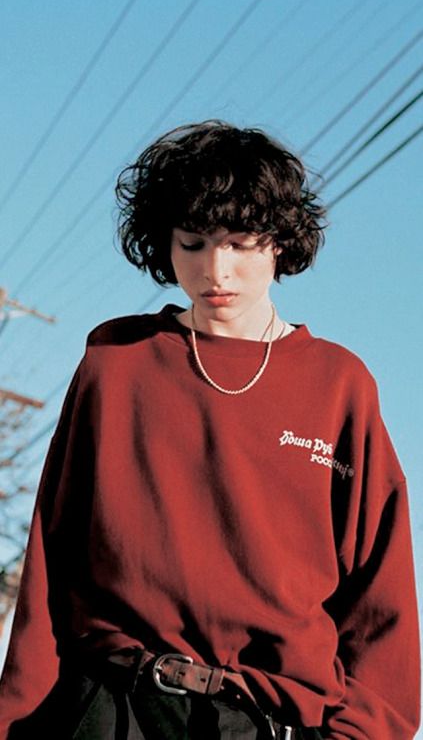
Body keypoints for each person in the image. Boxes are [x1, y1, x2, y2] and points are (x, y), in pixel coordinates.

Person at [0, 120, 419, 739]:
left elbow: (379, 589)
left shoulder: (339, 384)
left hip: (262, 718)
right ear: (164, 244)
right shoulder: (116, 363)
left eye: (240, 242)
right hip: (111, 709)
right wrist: (16, 718)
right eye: (192, 243)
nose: (216, 270)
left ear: (277, 242)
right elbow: (52, 555)